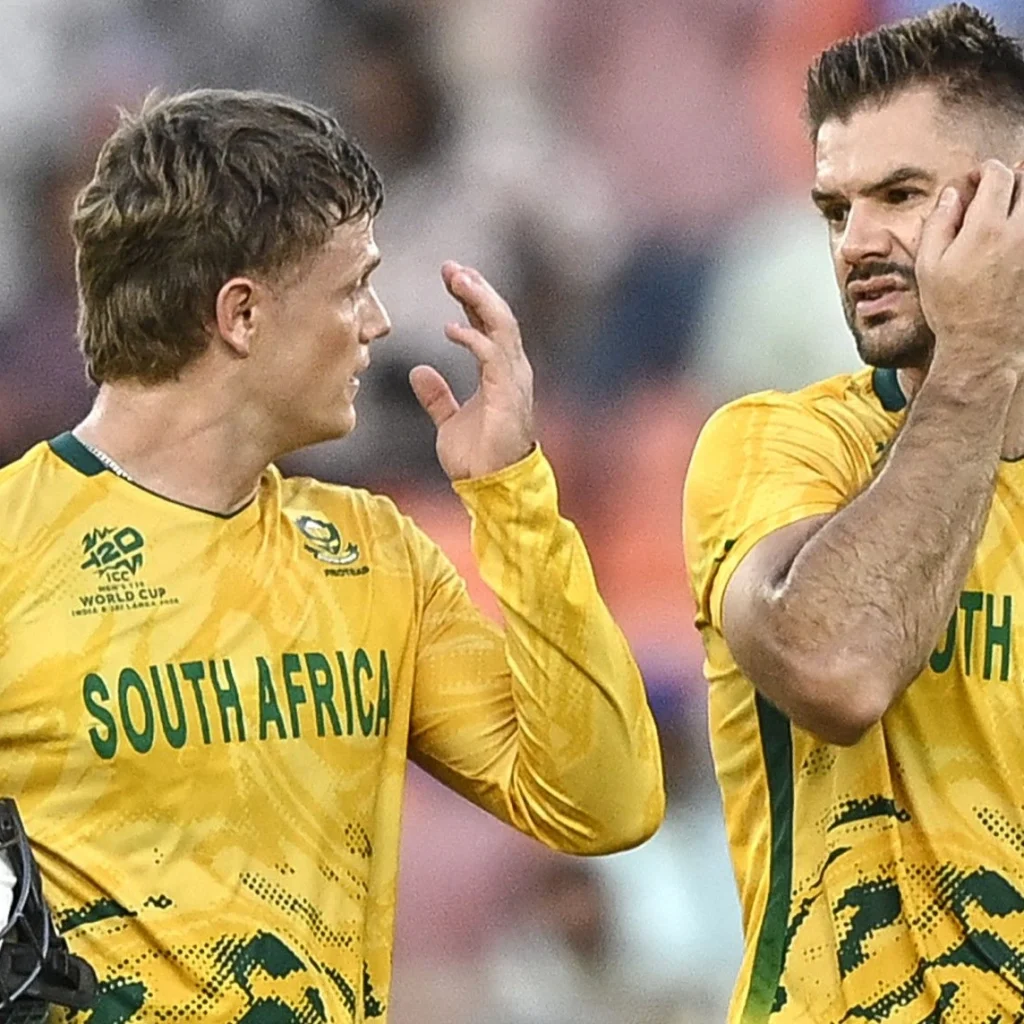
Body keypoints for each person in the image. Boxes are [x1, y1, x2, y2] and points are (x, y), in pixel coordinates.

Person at [0, 89, 665, 1022]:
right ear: (241, 314)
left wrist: (514, 497)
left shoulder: (375, 555)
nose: (378, 322)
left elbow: (604, 802)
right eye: (352, 286)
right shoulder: (13, 551)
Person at [683, 4, 1024, 1022]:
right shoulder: (776, 446)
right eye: (836, 210)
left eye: (901, 196)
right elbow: (835, 666)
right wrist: (979, 356)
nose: (855, 244)